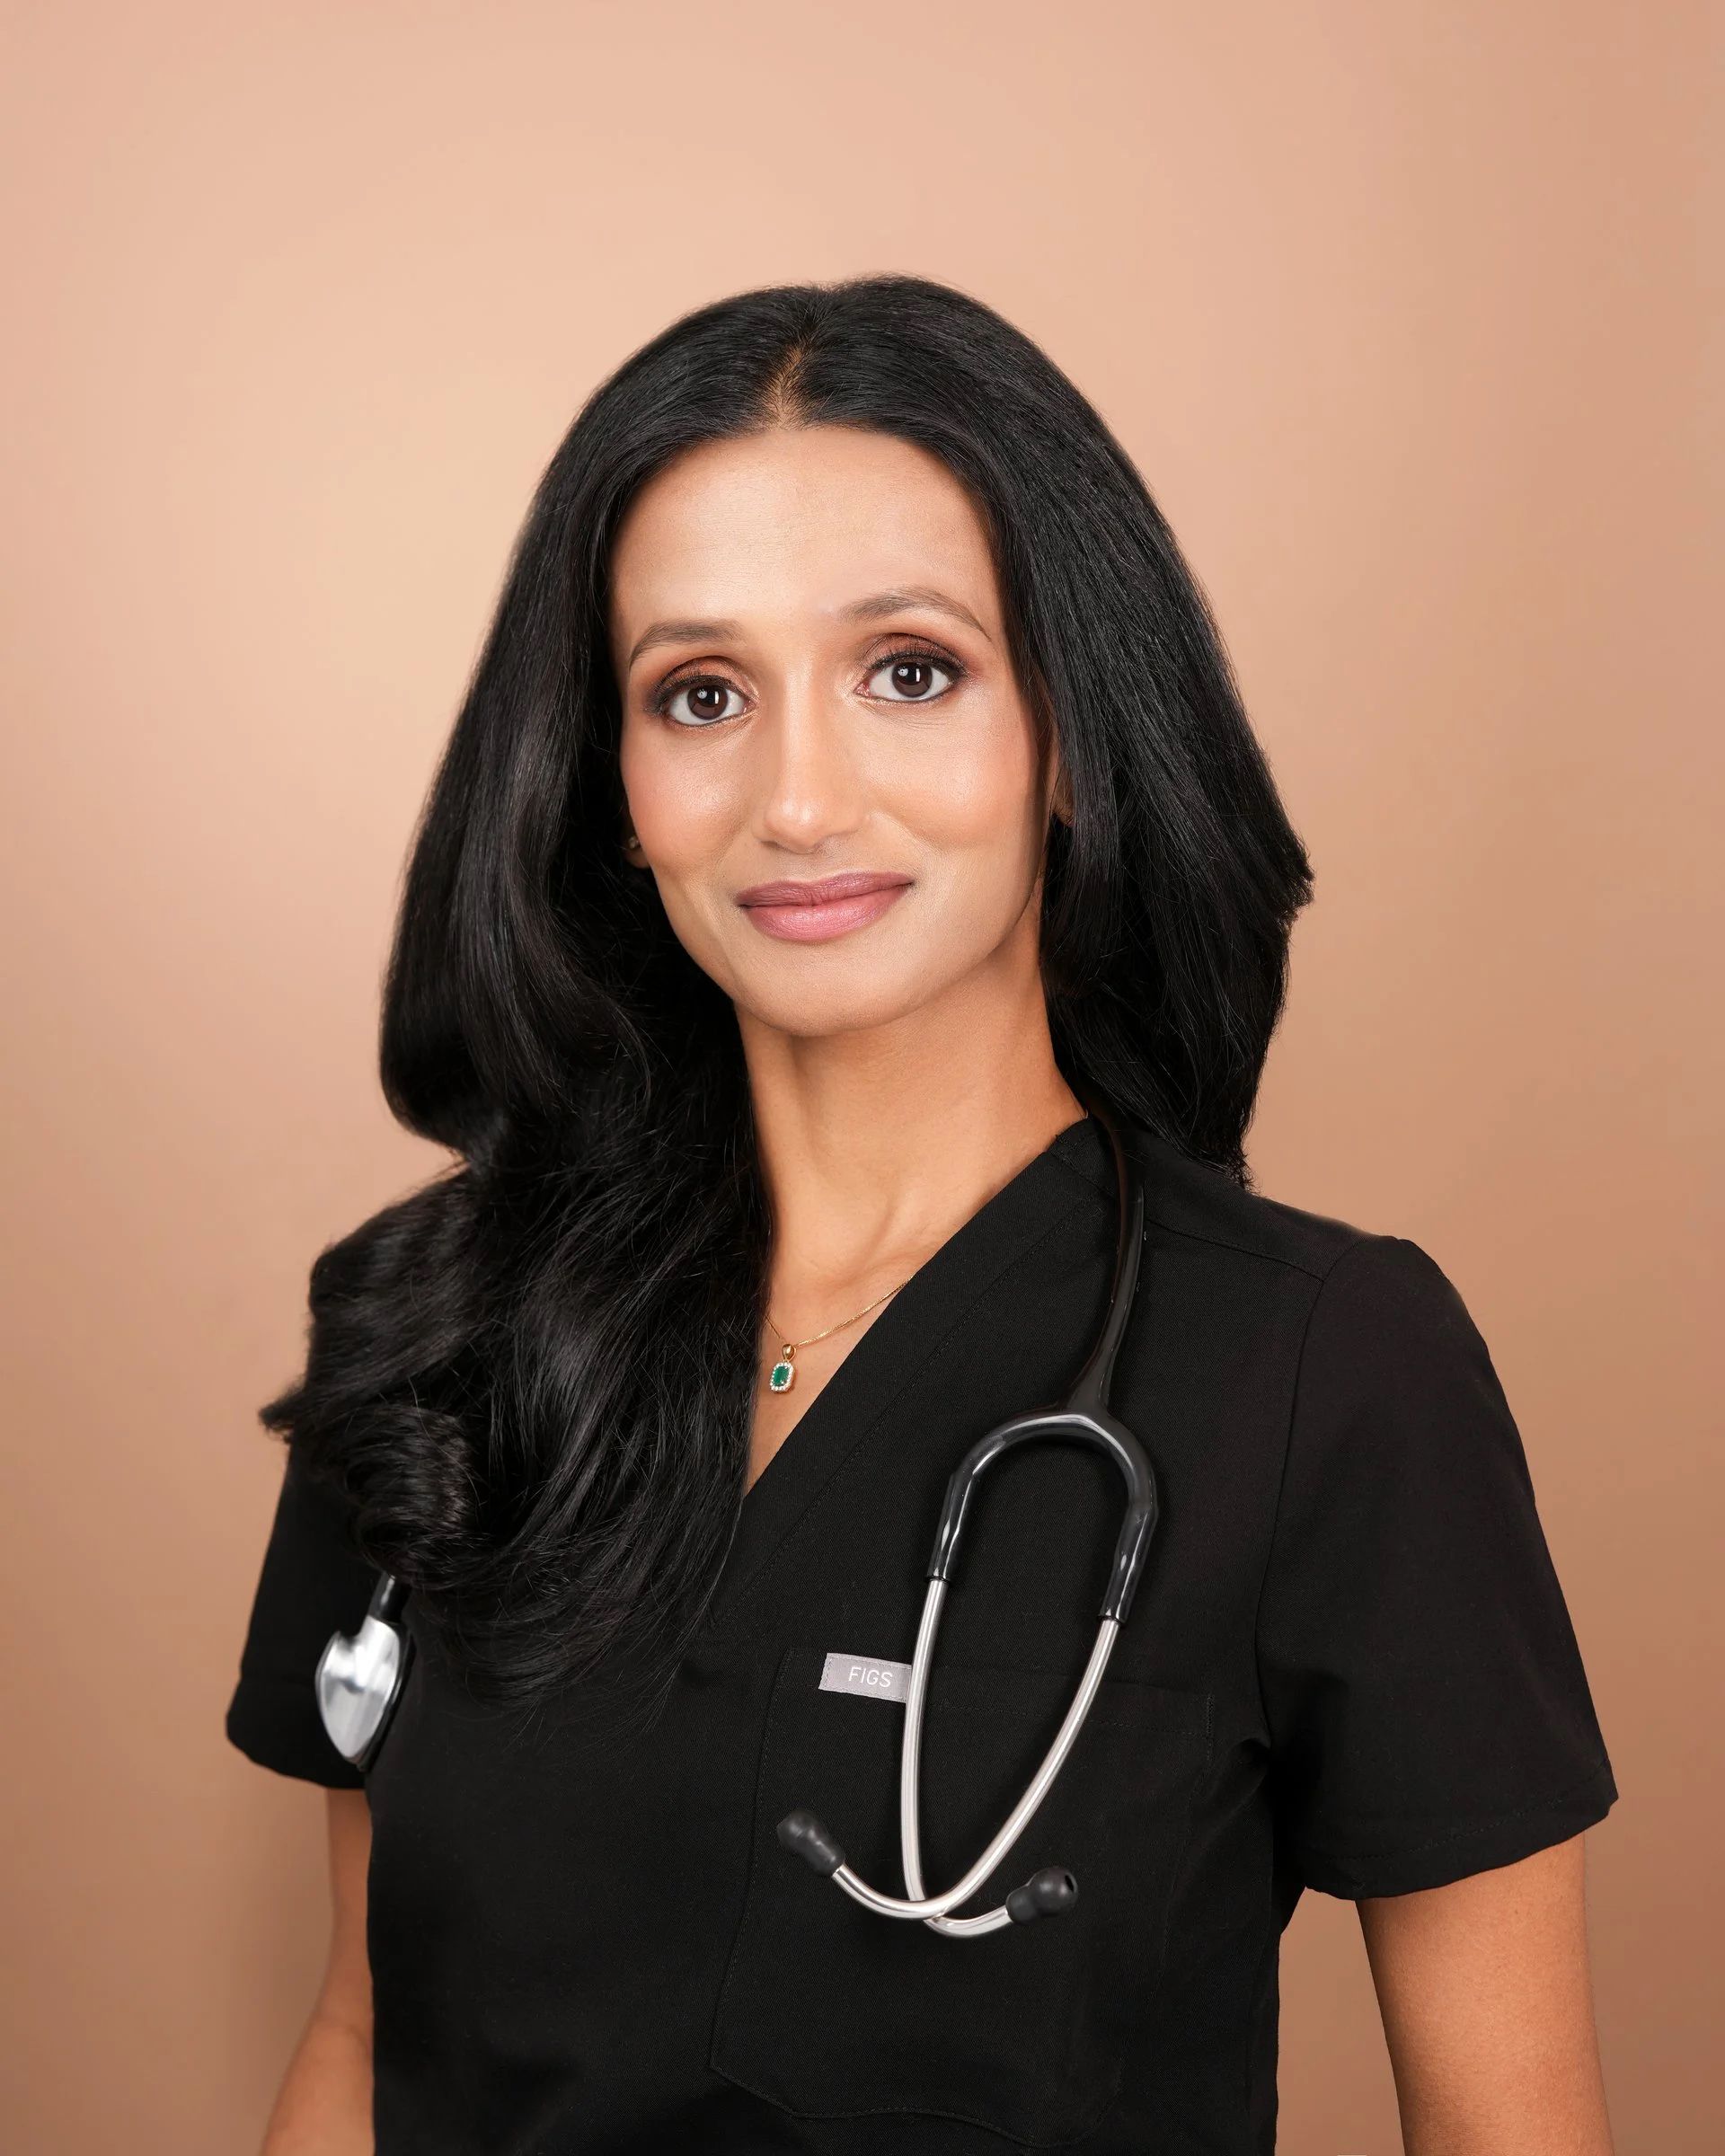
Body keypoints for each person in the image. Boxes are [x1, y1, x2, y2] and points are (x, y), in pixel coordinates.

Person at [225, 273, 1619, 2155]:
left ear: (1070, 726)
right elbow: (357, 2037)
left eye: (911, 670)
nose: (800, 798)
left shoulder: (1327, 1375)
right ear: (612, 786)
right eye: (700, 693)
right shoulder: (432, 1325)